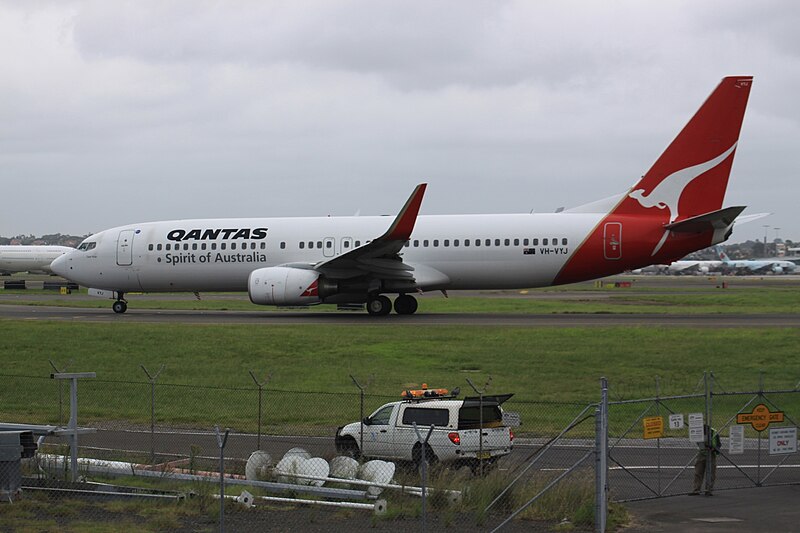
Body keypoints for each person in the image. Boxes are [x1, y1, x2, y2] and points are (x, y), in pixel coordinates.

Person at [690, 425, 721, 496]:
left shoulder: (714, 432)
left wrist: (713, 448)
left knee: (711, 473)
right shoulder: (698, 432)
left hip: (711, 454)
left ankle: (708, 490)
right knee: (698, 472)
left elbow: (718, 444)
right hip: (701, 453)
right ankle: (696, 490)